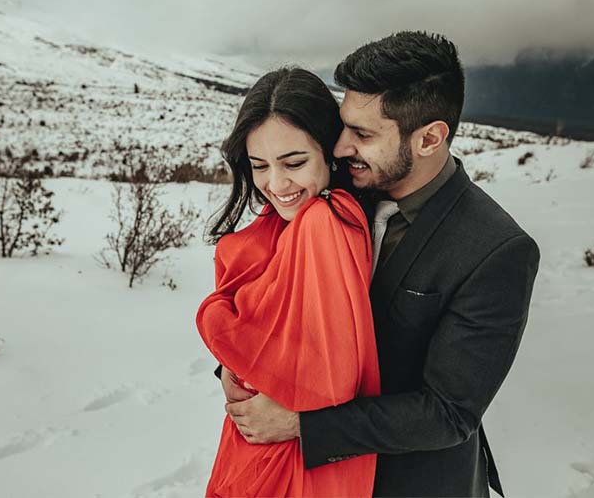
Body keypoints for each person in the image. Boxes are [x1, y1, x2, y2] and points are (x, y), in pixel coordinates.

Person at [219, 32, 541, 497]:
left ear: (429, 138)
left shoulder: (495, 250)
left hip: (411, 484)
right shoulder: (336, 195)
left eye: (364, 134)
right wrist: (239, 367)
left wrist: (301, 425)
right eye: (345, 125)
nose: (342, 146)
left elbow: (448, 413)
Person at [196, 67, 381, 496]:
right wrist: (231, 366)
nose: (276, 185)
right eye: (259, 166)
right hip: (263, 447)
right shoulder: (280, 221)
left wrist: (219, 322)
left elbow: (327, 372)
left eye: (294, 163)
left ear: (330, 151)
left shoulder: (324, 220)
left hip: (300, 463)